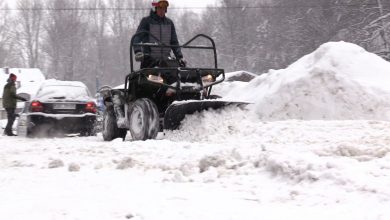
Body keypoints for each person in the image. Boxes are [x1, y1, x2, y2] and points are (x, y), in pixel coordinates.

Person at [133, 0, 186, 68]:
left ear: (166, 10)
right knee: (150, 77)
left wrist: (179, 57)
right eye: (159, 8)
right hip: (149, 60)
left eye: (163, 9)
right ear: (156, 8)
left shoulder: (169, 23)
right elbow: (137, 37)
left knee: (178, 73)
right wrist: (138, 51)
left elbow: (174, 42)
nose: (161, 11)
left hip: (166, 61)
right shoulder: (146, 21)